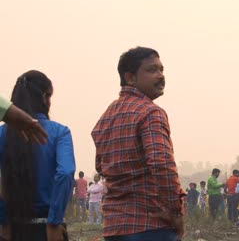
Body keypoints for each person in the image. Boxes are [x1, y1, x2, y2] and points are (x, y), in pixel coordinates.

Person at [92, 47, 185, 241]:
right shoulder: (151, 113)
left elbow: (101, 166)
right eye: (152, 70)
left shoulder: (106, 117)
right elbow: (161, 164)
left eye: (161, 69)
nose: (160, 76)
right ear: (130, 78)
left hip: (114, 228)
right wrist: (175, 212)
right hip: (150, 225)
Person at [0, 70, 75, 241]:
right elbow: (65, 173)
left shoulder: (2, 134)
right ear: (44, 97)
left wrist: (3, 220)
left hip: (11, 229)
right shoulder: (59, 133)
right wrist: (54, 222)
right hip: (49, 230)